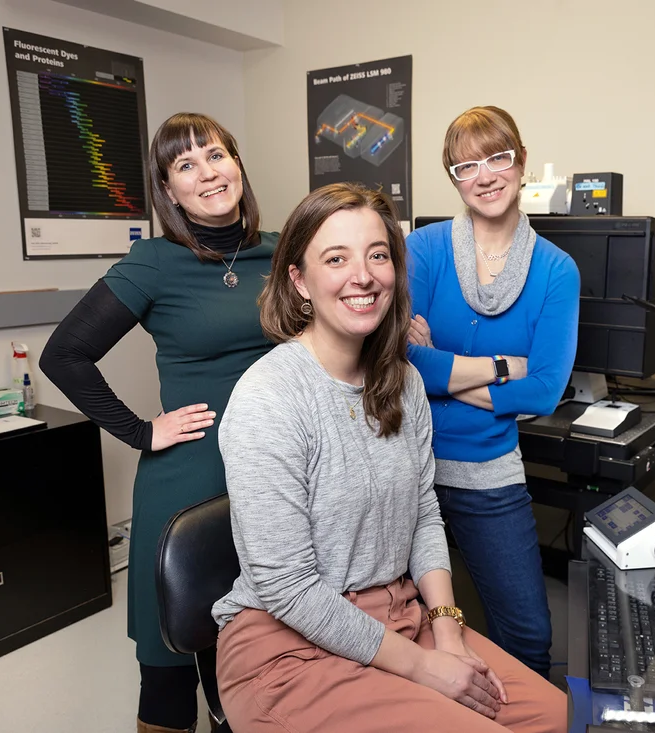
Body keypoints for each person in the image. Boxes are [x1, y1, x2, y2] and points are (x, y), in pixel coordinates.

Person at [212, 182, 566, 732]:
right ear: (299, 280)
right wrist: (427, 668)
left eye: (378, 255)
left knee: (560, 717)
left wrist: (447, 630)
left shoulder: (401, 383)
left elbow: (423, 511)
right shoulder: (270, 397)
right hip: (288, 646)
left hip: (401, 619)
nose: (364, 275)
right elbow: (288, 588)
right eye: (336, 259)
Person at [39, 112, 276, 733]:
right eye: (186, 165)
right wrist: (143, 431)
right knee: (172, 662)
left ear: (238, 165)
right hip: (191, 479)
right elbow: (64, 354)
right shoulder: (154, 264)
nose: (208, 173)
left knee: (259, 650)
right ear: (169, 191)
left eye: (217, 155)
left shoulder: (282, 252)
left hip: (276, 474)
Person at [404, 106, 580, 679]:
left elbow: (547, 391)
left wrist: (442, 370)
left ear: (521, 162)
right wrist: (504, 366)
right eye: (465, 165)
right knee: (402, 632)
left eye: (497, 157)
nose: (484, 175)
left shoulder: (557, 270)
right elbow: (401, 362)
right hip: (405, 467)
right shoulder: (424, 249)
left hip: (488, 470)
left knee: (528, 638)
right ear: (453, 179)